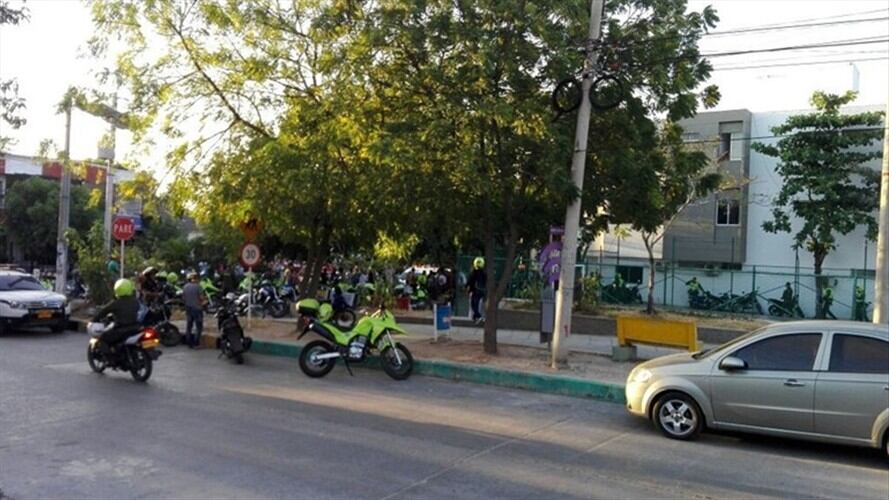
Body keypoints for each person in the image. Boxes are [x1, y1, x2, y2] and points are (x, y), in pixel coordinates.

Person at [92, 279, 141, 353]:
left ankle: (110, 358)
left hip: (120, 329)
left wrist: (93, 320)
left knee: (102, 338)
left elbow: (103, 312)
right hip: (135, 327)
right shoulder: (135, 301)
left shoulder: (116, 303)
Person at [182, 272, 205, 349]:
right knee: (198, 327)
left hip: (188, 308)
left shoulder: (185, 287)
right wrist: (204, 302)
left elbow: (184, 299)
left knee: (189, 326)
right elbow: (201, 298)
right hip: (197, 308)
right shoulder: (198, 287)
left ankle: (188, 343)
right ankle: (196, 343)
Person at [467, 257, 486, 324]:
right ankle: (476, 317)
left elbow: (470, 281)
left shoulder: (474, 272)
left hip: (475, 291)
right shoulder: (484, 273)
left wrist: (468, 288)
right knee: (477, 304)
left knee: (474, 304)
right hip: (481, 291)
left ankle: (478, 316)